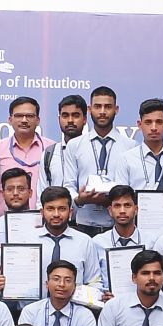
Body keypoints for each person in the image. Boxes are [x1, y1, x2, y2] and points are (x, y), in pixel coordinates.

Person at [5, 186, 104, 294]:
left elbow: (94, 282)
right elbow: (16, 278)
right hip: (34, 304)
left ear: (70, 212)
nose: (56, 214)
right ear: (42, 212)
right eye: (50, 209)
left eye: (62, 209)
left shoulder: (85, 242)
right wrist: (5, 285)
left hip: (74, 304)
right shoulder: (26, 240)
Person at [63, 86, 135, 234]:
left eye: (107, 107)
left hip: (117, 226)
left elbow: (132, 188)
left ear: (116, 109)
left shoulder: (130, 146)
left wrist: (113, 199)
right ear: (89, 109)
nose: (102, 111)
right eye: (97, 106)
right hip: (83, 225)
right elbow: (69, 185)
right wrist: (80, 199)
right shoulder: (74, 145)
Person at [17, 260, 98, 326]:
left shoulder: (84, 315)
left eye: (68, 280)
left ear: (75, 286)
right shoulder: (30, 311)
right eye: (56, 279)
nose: (61, 284)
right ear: (47, 284)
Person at [111, 98, 163, 193]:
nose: (153, 128)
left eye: (159, 122)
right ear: (139, 125)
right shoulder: (126, 160)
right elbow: (122, 198)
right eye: (148, 122)